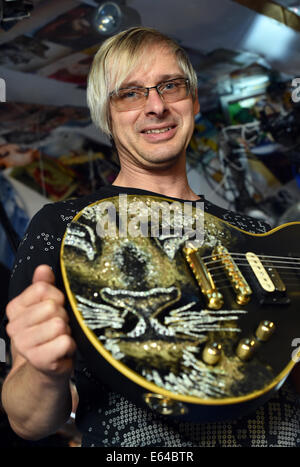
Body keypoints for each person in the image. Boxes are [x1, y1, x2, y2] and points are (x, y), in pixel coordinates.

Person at [1, 27, 300, 447]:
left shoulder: (258, 234)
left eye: (170, 86)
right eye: (131, 93)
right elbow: (27, 419)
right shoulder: (62, 225)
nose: (156, 106)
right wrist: (42, 372)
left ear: (193, 100)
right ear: (107, 116)